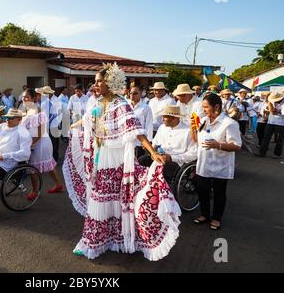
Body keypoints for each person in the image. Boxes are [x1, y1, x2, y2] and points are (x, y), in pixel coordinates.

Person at [62, 63, 181, 261]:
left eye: (100, 81)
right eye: (95, 81)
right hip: (101, 157)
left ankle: (103, 240)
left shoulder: (120, 104)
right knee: (101, 199)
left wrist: (152, 152)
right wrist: (73, 128)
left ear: (110, 83)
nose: (95, 84)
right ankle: (95, 240)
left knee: (112, 199)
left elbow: (136, 130)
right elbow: (86, 120)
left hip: (115, 160)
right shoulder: (100, 104)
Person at [191, 93, 242, 231]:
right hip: (204, 163)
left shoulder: (229, 124)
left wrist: (217, 145)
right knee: (202, 191)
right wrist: (192, 128)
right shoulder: (203, 120)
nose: (204, 110)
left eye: (206, 107)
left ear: (216, 107)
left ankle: (217, 218)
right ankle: (205, 214)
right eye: (203, 107)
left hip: (220, 164)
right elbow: (196, 140)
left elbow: (237, 146)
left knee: (219, 193)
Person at [22, 88, 64, 199]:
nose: (24, 99)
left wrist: (31, 143)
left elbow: (41, 131)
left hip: (40, 142)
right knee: (43, 166)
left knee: (33, 168)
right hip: (34, 141)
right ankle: (58, 184)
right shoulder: (27, 110)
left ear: (34, 98)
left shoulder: (39, 111)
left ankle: (35, 191)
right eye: (23, 97)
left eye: (27, 97)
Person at [138, 105, 197, 178]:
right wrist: (150, 148)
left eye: (164, 117)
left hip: (177, 163)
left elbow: (193, 154)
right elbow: (155, 144)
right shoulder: (162, 128)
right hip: (159, 157)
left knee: (162, 167)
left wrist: (172, 157)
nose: (162, 119)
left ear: (174, 118)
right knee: (142, 160)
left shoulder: (188, 131)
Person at [257, 92, 284, 159]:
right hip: (271, 122)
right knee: (266, 137)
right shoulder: (270, 100)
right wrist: (267, 111)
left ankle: (277, 154)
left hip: (282, 123)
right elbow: (265, 109)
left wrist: (279, 111)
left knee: (279, 139)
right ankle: (262, 152)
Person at [129, 86, 153, 159]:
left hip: (139, 143)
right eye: (131, 93)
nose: (132, 95)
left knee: (138, 165)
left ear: (140, 94)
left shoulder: (146, 108)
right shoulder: (126, 106)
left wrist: (148, 142)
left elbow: (149, 125)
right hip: (128, 142)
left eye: (135, 93)